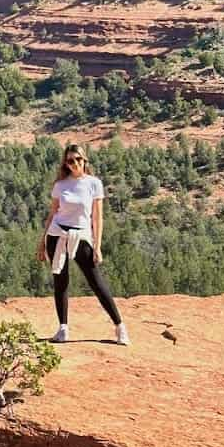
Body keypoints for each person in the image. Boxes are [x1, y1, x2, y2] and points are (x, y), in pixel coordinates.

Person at [36, 143, 129, 345]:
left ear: (85, 160)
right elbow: (52, 214)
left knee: (96, 281)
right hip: (57, 234)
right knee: (60, 281)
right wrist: (42, 242)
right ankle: (63, 329)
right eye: (70, 160)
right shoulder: (60, 185)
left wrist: (97, 246)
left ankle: (120, 327)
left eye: (78, 159)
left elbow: (97, 218)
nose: (75, 163)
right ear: (66, 164)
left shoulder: (94, 183)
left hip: (81, 236)